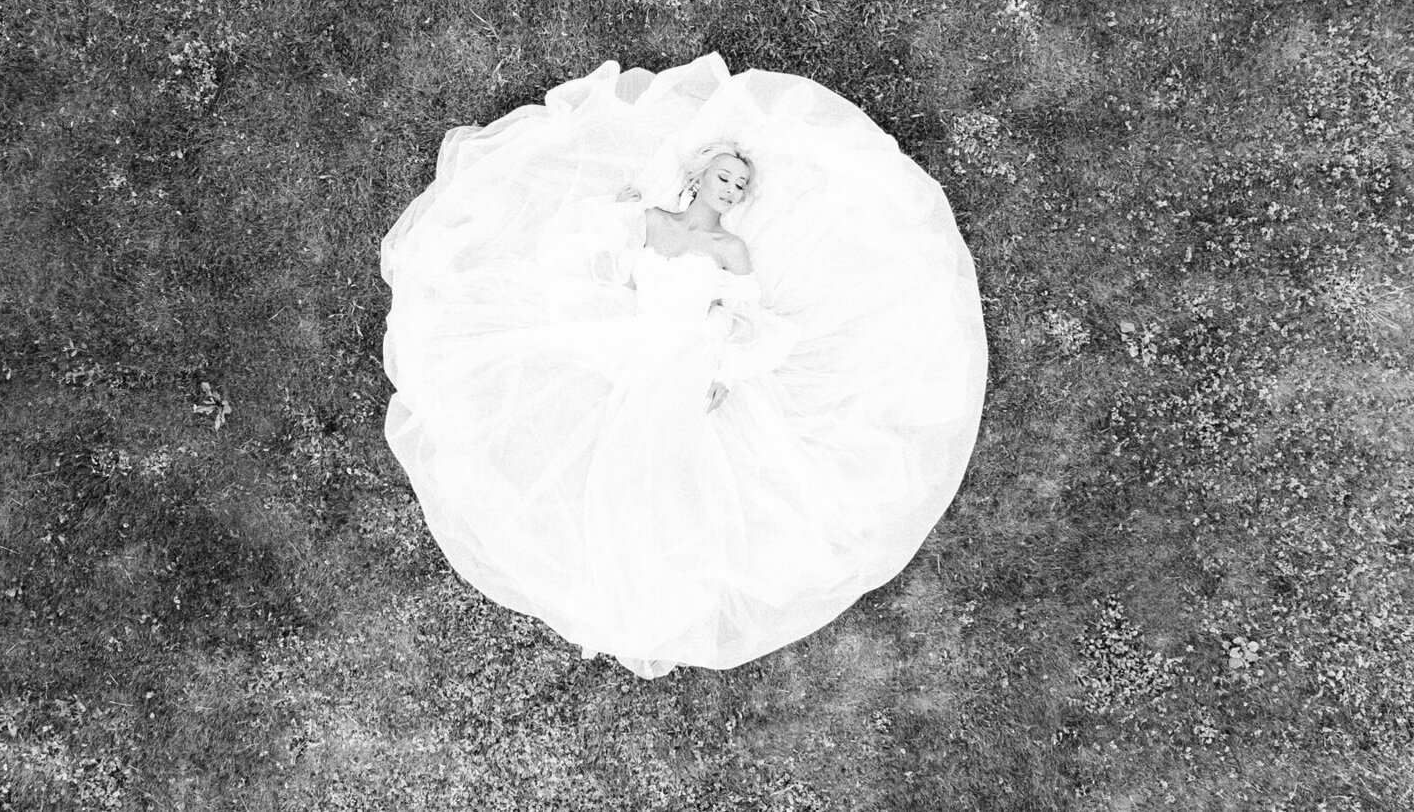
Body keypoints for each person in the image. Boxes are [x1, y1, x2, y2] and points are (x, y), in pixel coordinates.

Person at [381, 53, 987, 679]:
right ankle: (618, 588)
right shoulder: (649, 221)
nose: (733, 190)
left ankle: (646, 592)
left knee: (664, 469)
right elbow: (596, 260)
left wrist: (725, 371)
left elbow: (748, 317)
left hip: (688, 356)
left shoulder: (731, 248)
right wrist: (616, 213)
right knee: (606, 453)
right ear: (699, 176)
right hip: (635, 340)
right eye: (725, 177)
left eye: (741, 187)